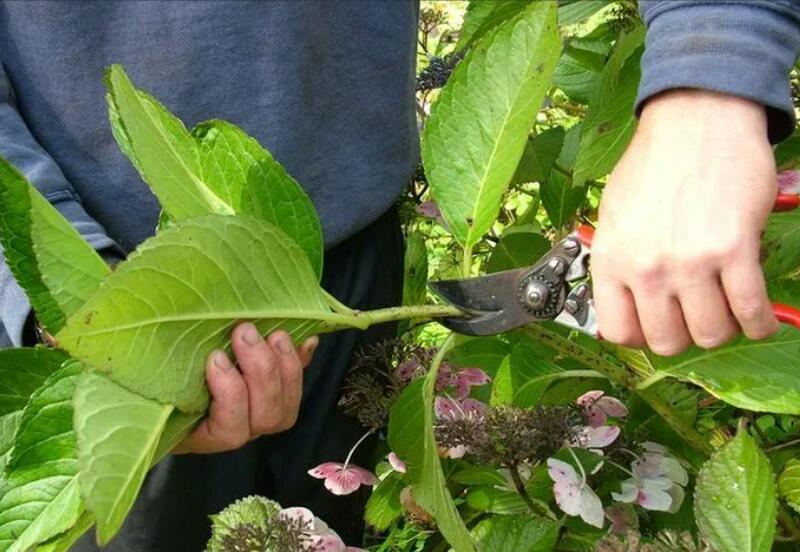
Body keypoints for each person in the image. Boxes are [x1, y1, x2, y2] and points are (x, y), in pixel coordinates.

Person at [0, 0, 797, 550]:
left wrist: (710, 73)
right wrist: (62, 298)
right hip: (106, 302)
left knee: (334, 519)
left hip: (354, 240)